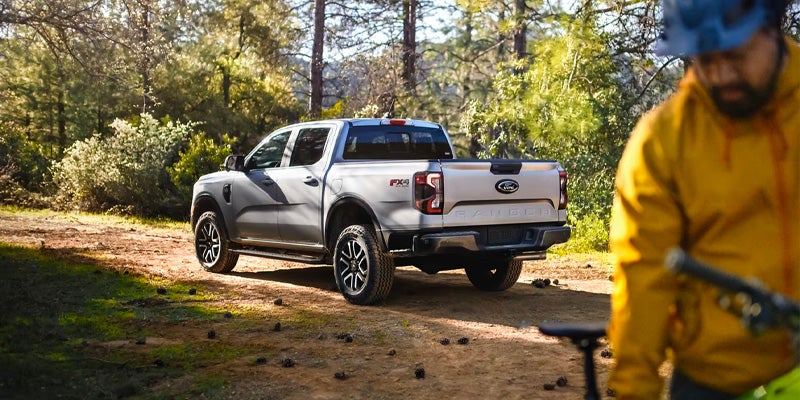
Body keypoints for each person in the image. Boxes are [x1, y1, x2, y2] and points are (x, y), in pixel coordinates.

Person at [607, 0, 799, 399]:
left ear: (771, 27)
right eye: (706, 59)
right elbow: (643, 274)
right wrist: (633, 389)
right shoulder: (663, 141)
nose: (721, 73)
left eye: (735, 54)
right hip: (711, 382)